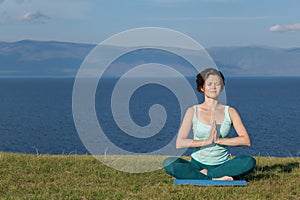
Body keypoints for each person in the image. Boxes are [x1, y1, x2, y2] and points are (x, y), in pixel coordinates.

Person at [163, 68, 256, 180]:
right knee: (169, 163)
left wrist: (218, 141)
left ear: (221, 87)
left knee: (249, 161)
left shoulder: (230, 111)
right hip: (197, 164)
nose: (213, 87)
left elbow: (245, 140)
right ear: (202, 87)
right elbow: (180, 142)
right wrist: (206, 141)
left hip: (222, 164)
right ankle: (217, 178)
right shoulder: (192, 111)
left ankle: (203, 175)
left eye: (217, 84)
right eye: (209, 84)